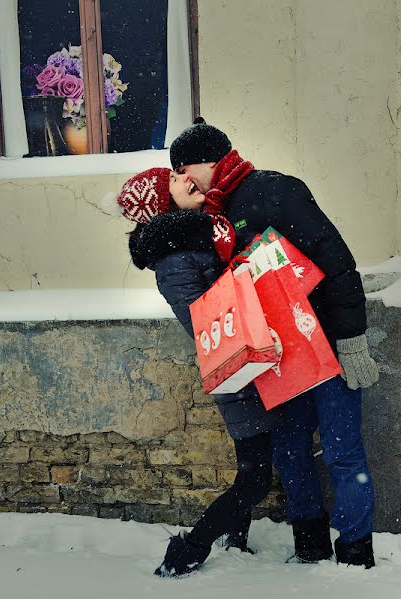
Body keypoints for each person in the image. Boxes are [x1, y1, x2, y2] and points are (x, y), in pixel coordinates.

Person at [169, 118, 380, 568]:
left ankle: (356, 554)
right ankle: (310, 547)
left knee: (343, 451)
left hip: (323, 341)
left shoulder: (274, 190)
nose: (184, 182)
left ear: (210, 162)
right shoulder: (211, 216)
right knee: (290, 452)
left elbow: (336, 258)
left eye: (185, 171)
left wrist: (352, 338)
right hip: (277, 355)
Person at [117, 167, 277, 577]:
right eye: (172, 181)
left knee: (253, 468)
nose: (185, 179)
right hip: (237, 369)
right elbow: (204, 322)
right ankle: (190, 548)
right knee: (256, 479)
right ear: (164, 204)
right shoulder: (175, 260)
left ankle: (234, 538)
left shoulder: (203, 236)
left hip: (254, 363)